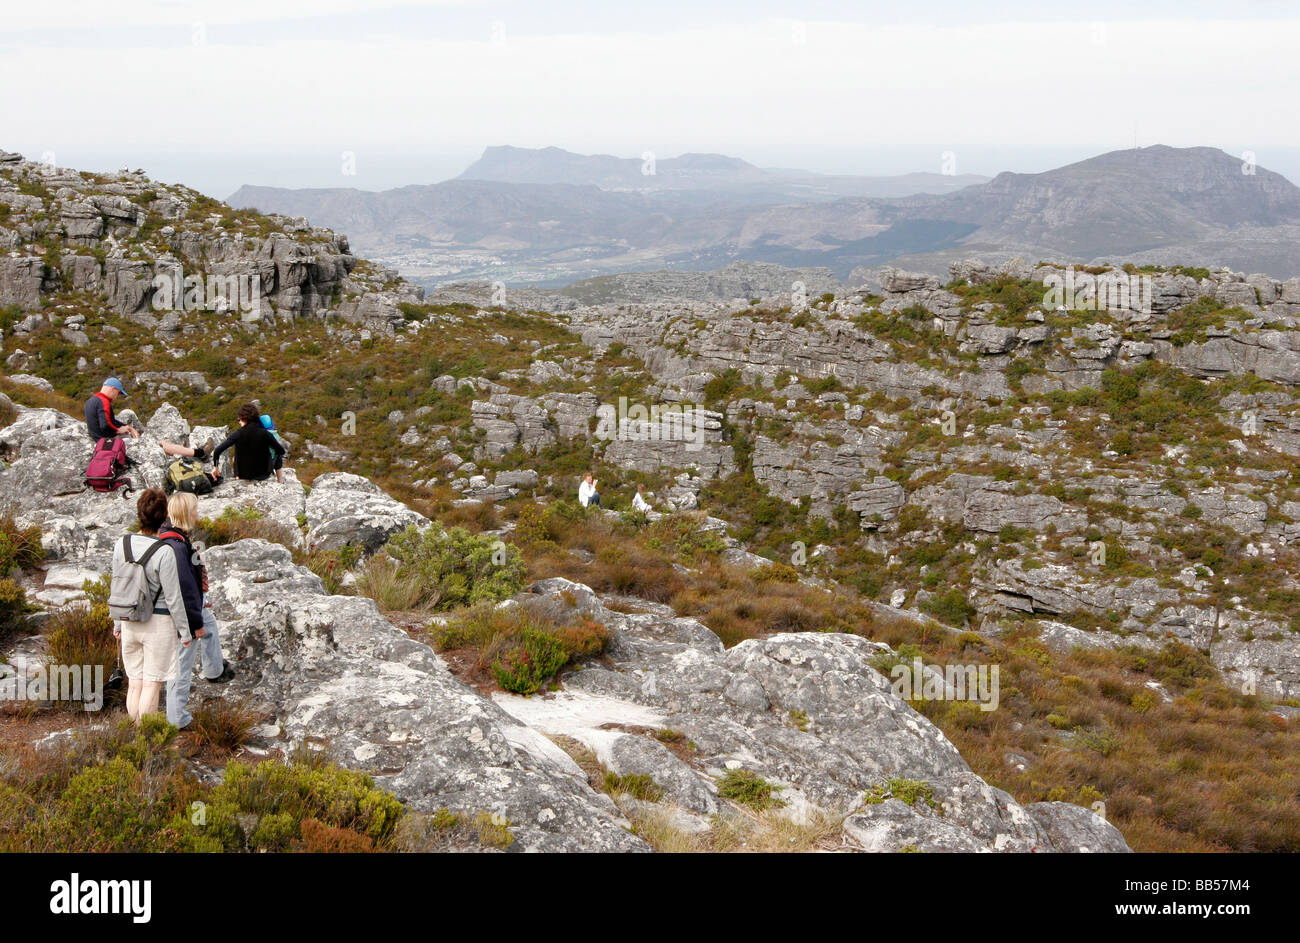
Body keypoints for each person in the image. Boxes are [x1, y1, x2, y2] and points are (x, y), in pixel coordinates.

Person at [110, 489, 202, 724]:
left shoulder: (122, 543)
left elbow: (117, 584)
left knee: (135, 683)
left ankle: (133, 733)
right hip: (158, 624)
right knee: (152, 684)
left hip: (129, 620)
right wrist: (185, 631)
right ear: (164, 517)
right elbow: (173, 597)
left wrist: (117, 622)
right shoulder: (165, 551)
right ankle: (146, 737)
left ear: (139, 513)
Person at [161, 493, 234, 730]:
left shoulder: (177, 537)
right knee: (182, 664)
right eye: (194, 510)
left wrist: (205, 597)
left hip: (194, 605)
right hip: (185, 612)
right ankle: (177, 719)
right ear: (185, 513)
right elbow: (184, 589)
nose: (197, 513)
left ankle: (214, 670)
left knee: (211, 624)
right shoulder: (176, 546)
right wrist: (194, 624)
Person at [210, 403, 286, 483]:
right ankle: (281, 481)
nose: (239, 422)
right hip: (263, 475)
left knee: (235, 456)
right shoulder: (265, 433)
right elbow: (281, 451)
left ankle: (237, 476)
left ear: (244, 419)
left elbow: (217, 450)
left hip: (242, 475)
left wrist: (215, 467)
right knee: (277, 453)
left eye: (239, 419)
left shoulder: (238, 434)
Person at [84, 377, 140, 442]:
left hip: (96, 439)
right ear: (113, 389)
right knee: (133, 439)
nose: (117, 396)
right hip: (105, 441)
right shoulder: (104, 401)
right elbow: (105, 425)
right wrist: (118, 430)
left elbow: (110, 420)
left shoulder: (90, 400)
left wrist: (128, 427)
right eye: (118, 393)